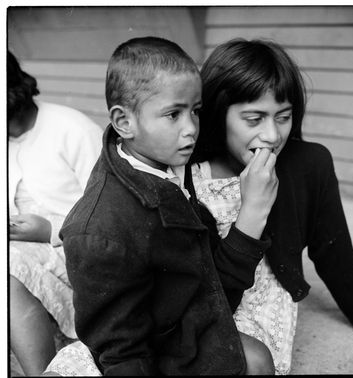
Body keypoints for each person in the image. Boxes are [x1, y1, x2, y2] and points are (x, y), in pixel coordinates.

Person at [47, 36, 279, 376]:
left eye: (195, 111)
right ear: (123, 122)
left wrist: (253, 213)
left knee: (256, 358)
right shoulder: (100, 230)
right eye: (173, 114)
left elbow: (211, 283)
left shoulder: (165, 164)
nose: (191, 129)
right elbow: (122, 351)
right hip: (150, 353)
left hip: (189, 320)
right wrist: (251, 214)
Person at [188, 38, 353, 374]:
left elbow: (333, 248)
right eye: (254, 118)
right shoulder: (188, 174)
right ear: (218, 115)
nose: (273, 135)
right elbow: (199, 294)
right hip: (204, 303)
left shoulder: (307, 164)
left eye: (284, 116)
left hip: (259, 310)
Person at [8, 51, 103, 376]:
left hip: (77, 254)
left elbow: (109, 216)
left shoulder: (72, 129)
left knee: (7, 267)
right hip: (23, 248)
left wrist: (49, 229)